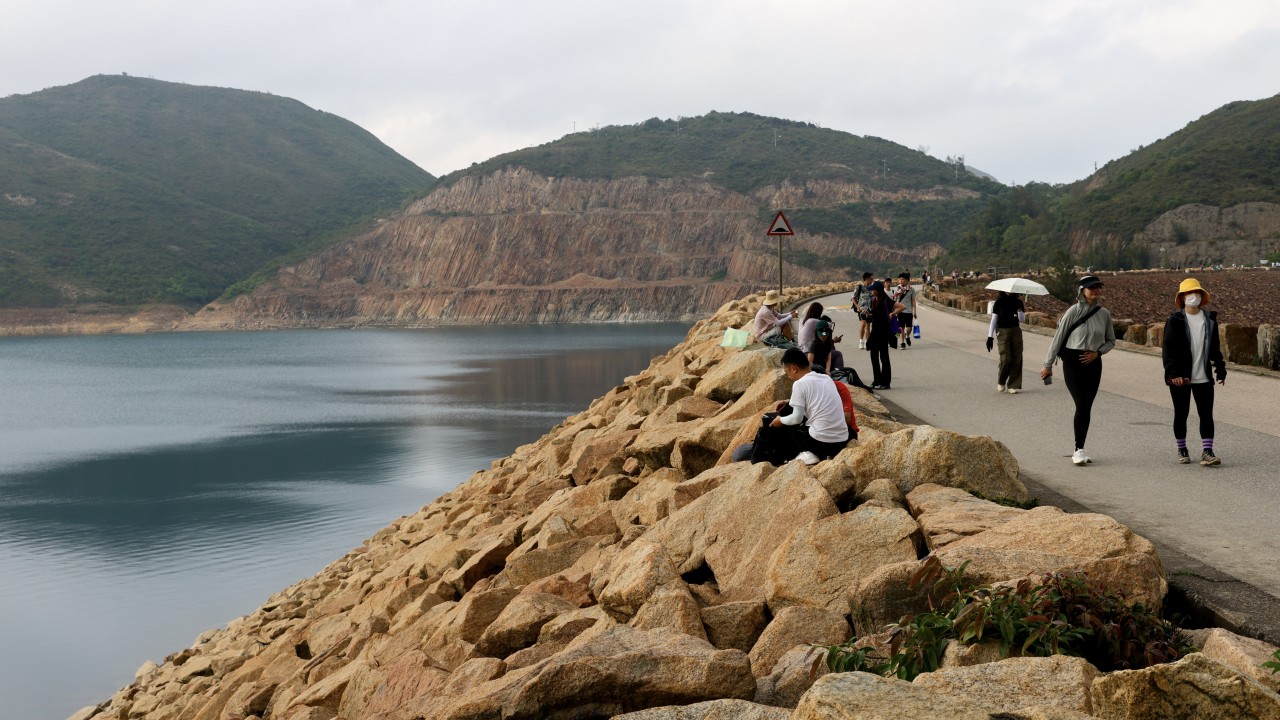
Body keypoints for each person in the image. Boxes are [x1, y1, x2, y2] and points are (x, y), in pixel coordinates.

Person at [1040, 275, 1116, 466]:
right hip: (1072, 361)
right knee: (1081, 403)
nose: (1095, 291)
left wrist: (1097, 353)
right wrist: (1047, 365)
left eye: (1098, 287)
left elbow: (1111, 341)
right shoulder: (1073, 311)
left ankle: (1081, 447)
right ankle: (1078, 449)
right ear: (1082, 290)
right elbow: (1058, 338)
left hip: (1093, 363)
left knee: (1087, 406)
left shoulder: (1104, 314)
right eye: (1091, 288)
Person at [1162, 278, 1226, 466]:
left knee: (1206, 414)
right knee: (1181, 413)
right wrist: (1173, 374)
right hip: (1181, 377)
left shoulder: (1209, 320)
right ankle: (1182, 449)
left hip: (1203, 376)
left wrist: (1220, 369)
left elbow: (1214, 348)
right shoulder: (1175, 321)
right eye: (1189, 293)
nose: (1194, 296)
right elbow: (1168, 350)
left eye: (1197, 292)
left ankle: (1208, 451)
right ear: (1182, 297)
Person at [753, 348, 850, 465]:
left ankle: (807, 453)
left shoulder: (799, 384)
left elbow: (796, 418)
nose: (788, 376)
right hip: (841, 440)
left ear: (793, 368)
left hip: (822, 442)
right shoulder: (826, 378)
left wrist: (780, 420)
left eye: (787, 372)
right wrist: (790, 401)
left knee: (785, 426)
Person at [986, 290, 1026, 393]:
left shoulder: (1018, 302)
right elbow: (994, 320)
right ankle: (1001, 381)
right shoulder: (999, 302)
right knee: (1006, 358)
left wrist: (1019, 310)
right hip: (1003, 331)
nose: (1010, 292)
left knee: (1017, 357)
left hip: (1016, 330)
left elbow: (1022, 320)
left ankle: (1013, 384)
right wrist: (990, 337)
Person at [867, 281, 904, 389]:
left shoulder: (886, 300)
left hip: (883, 332)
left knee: (884, 356)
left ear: (877, 290)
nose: (871, 291)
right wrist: (867, 314)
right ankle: (877, 380)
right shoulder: (873, 300)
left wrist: (893, 313)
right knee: (873, 355)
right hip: (875, 331)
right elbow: (874, 316)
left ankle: (886, 383)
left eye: (873, 289)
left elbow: (902, 306)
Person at [894, 273, 917, 348]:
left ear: (907, 280)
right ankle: (902, 343)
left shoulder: (911, 289)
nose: (901, 280)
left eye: (903, 279)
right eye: (900, 279)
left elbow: (913, 300)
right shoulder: (897, 289)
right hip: (900, 311)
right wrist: (894, 311)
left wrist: (915, 311)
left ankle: (907, 336)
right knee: (901, 327)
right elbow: (895, 300)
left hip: (909, 311)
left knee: (909, 327)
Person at [852, 272, 874, 349]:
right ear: (867, 279)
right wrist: (857, 306)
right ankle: (861, 341)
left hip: (870, 309)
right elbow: (853, 298)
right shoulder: (859, 287)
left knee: (868, 325)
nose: (872, 280)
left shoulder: (872, 288)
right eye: (871, 279)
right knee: (863, 324)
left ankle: (867, 341)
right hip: (861, 309)